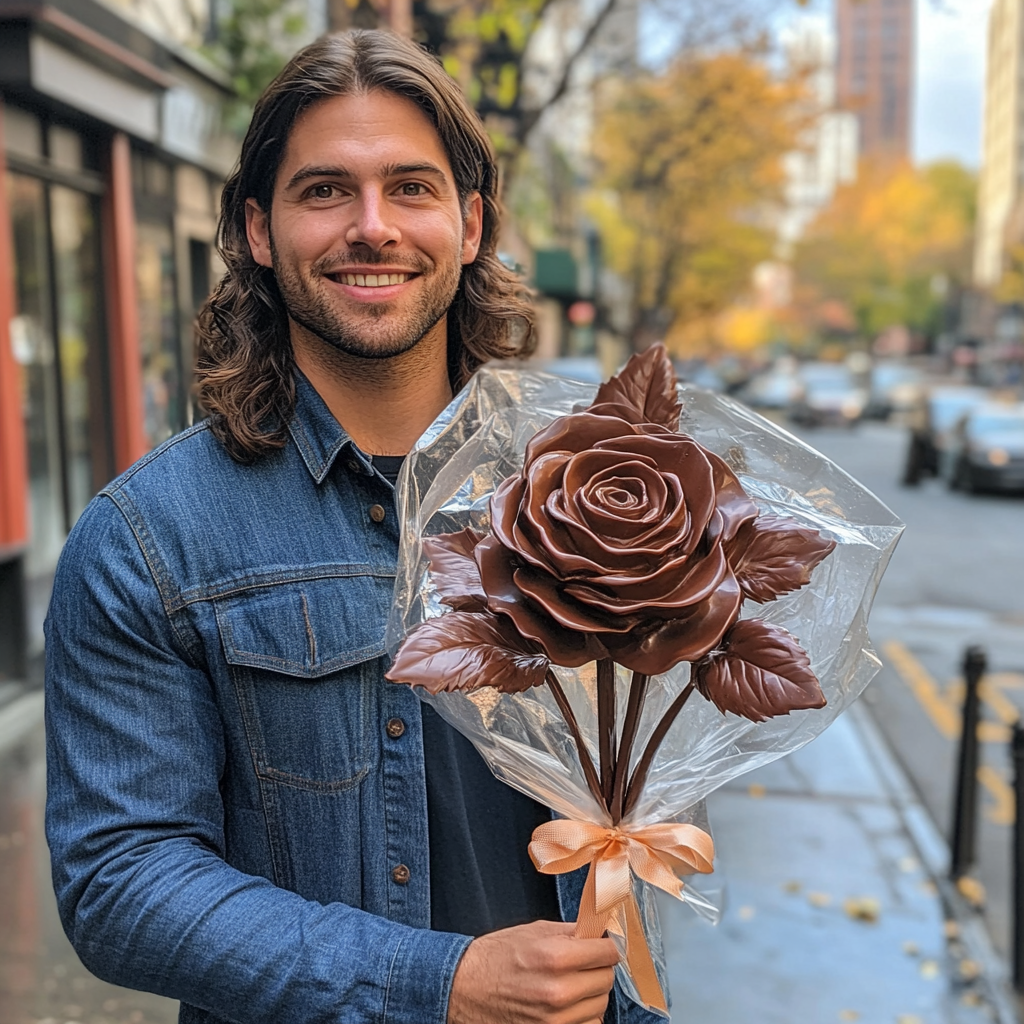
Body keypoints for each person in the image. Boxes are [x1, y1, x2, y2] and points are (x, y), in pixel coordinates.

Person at [44, 29, 648, 1024]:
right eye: (324, 190)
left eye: (410, 187)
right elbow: (118, 880)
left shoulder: (584, 492)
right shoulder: (149, 539)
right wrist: (434, 983)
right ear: (256, 229)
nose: (373, 227)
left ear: (470, 220)